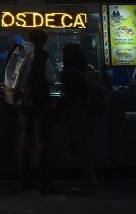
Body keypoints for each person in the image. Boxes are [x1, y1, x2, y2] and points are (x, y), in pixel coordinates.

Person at [13, 28, 59, 194]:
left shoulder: (18, 51)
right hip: (39, 102)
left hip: (21, 102)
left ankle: (25, 179)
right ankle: (45, 182)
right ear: (41, 41)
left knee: (25, 140)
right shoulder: (39, 54)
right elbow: (51, 79)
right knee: (42, 141)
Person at [59, 43, 97, 194]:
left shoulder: (70, 73)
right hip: (89, 112)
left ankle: (88, 182)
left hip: (78, 113)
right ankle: (89, 180)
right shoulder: (87, 69)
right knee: (83, 146)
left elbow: (70, 95)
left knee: (80, 147)